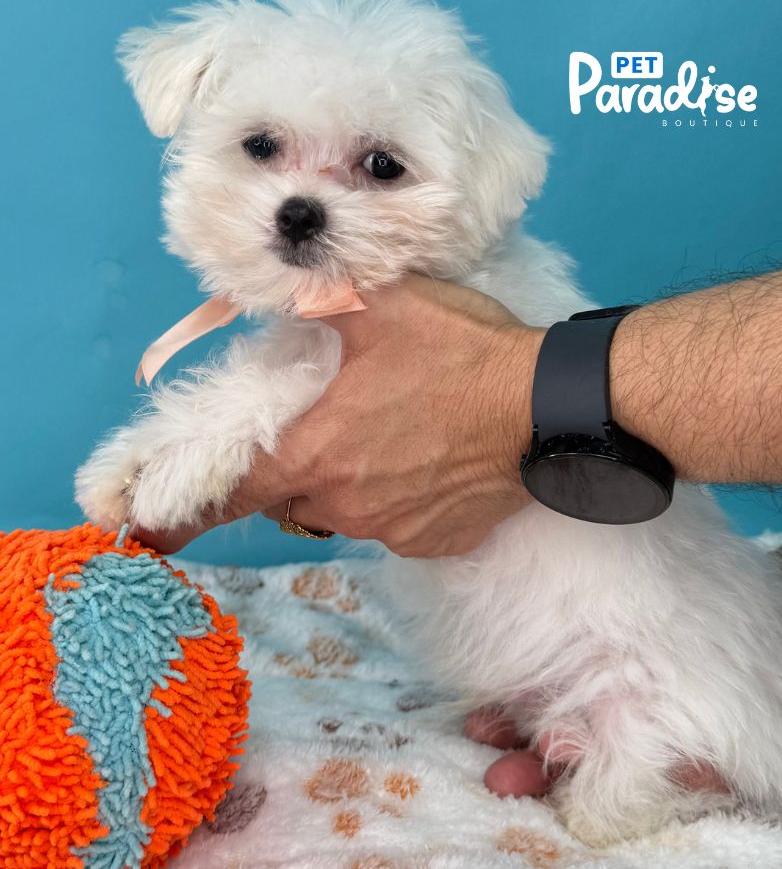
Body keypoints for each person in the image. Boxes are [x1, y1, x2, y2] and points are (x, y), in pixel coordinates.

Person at [137, 268, 781, 799]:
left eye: (382, 167)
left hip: (663, 681)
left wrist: (510, 399)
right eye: (262, 158)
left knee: (623, 792)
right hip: (640, 666)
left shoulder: (490, 294)